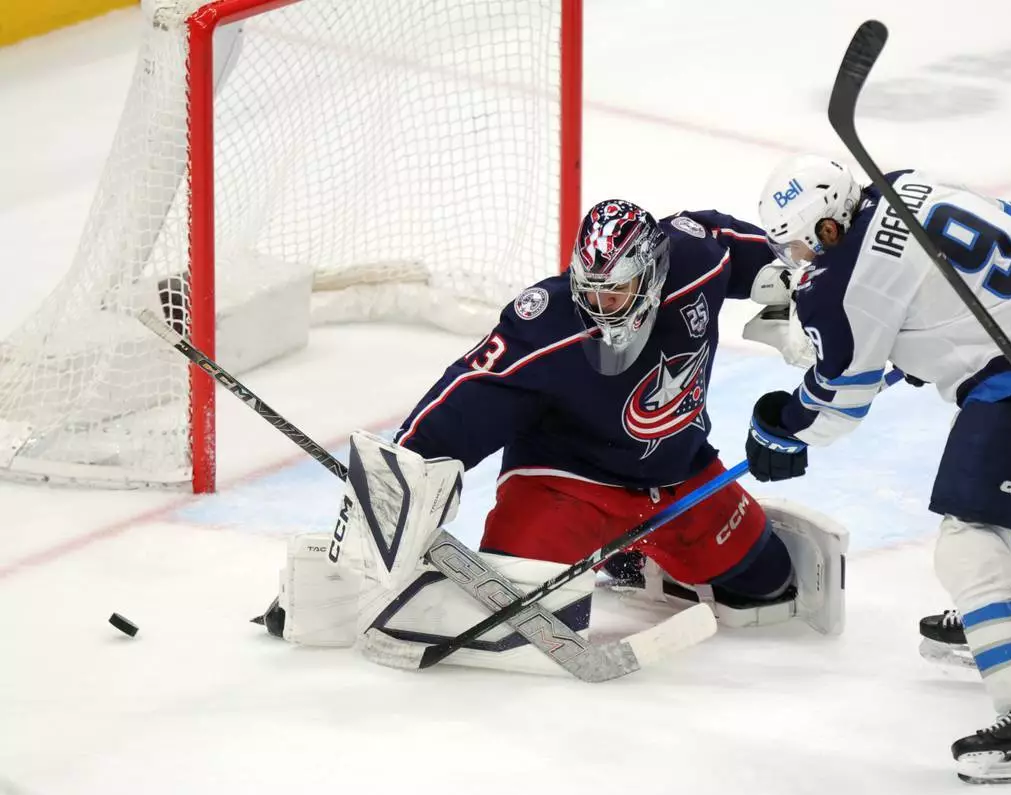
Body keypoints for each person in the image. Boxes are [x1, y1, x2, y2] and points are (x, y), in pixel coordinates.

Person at [257, 198, 852, 670]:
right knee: (519, 617)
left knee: (769, 585)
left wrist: (808, 290)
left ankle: (635, 557)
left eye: (616, 291)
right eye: (589, 288)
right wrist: (376, 515)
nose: (600, 306)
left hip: (679, 477)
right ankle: (605, 547)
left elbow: (755, 246)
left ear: (652, 275)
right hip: (567, 485)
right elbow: (458, 404)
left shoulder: (697, 262)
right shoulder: (546, 325)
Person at [747, 155, 1011, 783]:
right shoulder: (903, 183)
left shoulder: (839, 283)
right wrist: (933, 324)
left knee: (966, 541)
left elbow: (839, 403)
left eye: (798, 245)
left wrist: (781, 425)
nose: (797, 259)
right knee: (997, 485)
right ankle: (994, 618)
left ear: (828, 228)